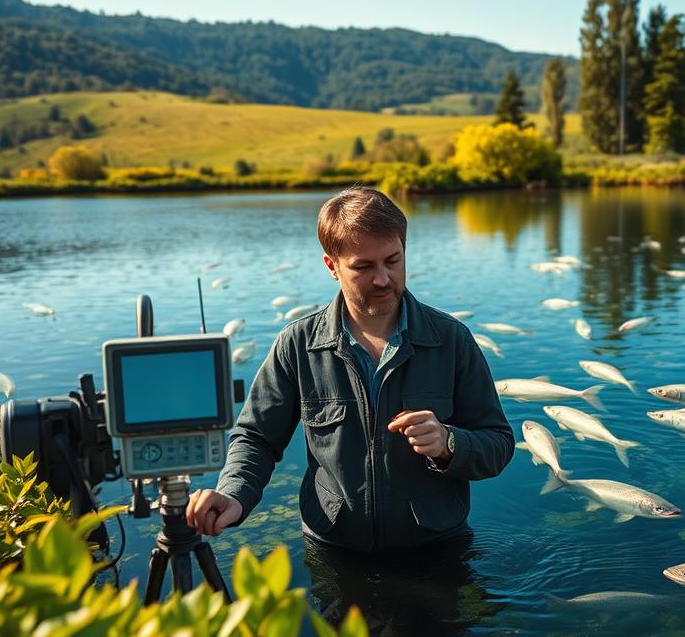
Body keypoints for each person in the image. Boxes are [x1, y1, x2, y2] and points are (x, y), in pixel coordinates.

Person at [187, 187, 514, 552]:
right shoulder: (297, 345)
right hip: (334, 552)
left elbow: (498, 444)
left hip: (436, 549)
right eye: (363, 266)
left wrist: (449, 444)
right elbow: (255, 439)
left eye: (393, 260)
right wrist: (234, 494)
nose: (382, 279)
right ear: (332, 266)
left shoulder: (451, 340)